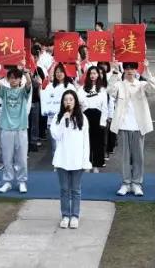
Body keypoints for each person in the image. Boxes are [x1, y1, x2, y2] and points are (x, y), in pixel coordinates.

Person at [108, 62, 155, 197]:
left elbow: (153, 89)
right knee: (125, 157)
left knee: (138, 157)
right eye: (127, 68)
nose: (130, 71)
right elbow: (110, 91)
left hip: (138, 126)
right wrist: (115, 72)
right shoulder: (119, 84)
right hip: (123, 125)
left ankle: (136, 183)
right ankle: (126, 183)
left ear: (136, 70)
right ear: (124, 70)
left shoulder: (142, 85)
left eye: (132, 68)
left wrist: (146, 69)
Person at [50, 89, 92, 229]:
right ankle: (65, 215)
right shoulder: (58, 117)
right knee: (64, 189)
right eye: (66, 99)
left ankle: (75, 215)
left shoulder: (83, 118)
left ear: (75, 102)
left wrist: (85, 160)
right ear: (62, 102)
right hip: (62, 159)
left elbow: (86, 141)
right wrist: (64, 120)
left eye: (71, 99)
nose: (68, 102)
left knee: (75, 189)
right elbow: (56, 136)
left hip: (77, 159)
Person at [0, 67, 33, 193]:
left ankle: (22, 181)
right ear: (8, 79)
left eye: (16, 78)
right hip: (6, 128)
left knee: (22, 158)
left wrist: (26, 72)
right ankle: (7, 181)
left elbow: (29, 84)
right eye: (11, 78)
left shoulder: (23, 91)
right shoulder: (5, 91)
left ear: (20, 80)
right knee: (7, 157)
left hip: (21, 127)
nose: (13, 80)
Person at [81, 66, 110, 173]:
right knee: (86, 141)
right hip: (85, 116)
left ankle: (96, 165)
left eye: (95, 73)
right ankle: (86, 164)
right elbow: (79, 102)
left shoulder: (102, 89)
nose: (92, 75)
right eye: (91, 73)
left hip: (98, 116)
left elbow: (105, 107)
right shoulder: (82, 89)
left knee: (98, 142)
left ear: (98, 75)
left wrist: (103, 121)